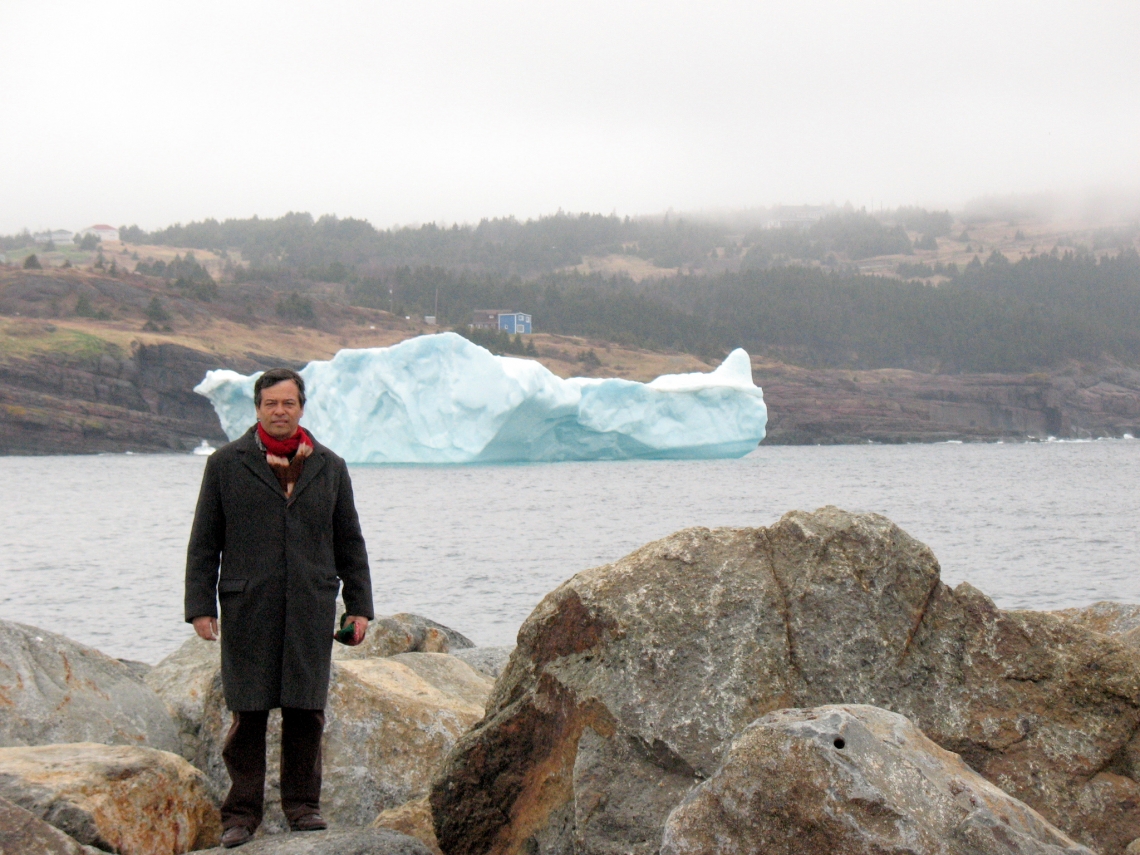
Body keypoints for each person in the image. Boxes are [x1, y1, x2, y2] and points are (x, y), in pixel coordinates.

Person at [185, 367, 373, 848]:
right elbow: (205, 541)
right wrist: (200, 606)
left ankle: (303, 808)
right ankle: (241, 815)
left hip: (310, 603)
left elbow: (349, 541)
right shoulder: (227, 464)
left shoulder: (330, 466)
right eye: (271, 404)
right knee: (248, 713)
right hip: (249, 605)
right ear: (258, 409)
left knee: (305, 710)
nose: (280, 411)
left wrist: (359, 606)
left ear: (301, 408)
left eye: (288, 403)